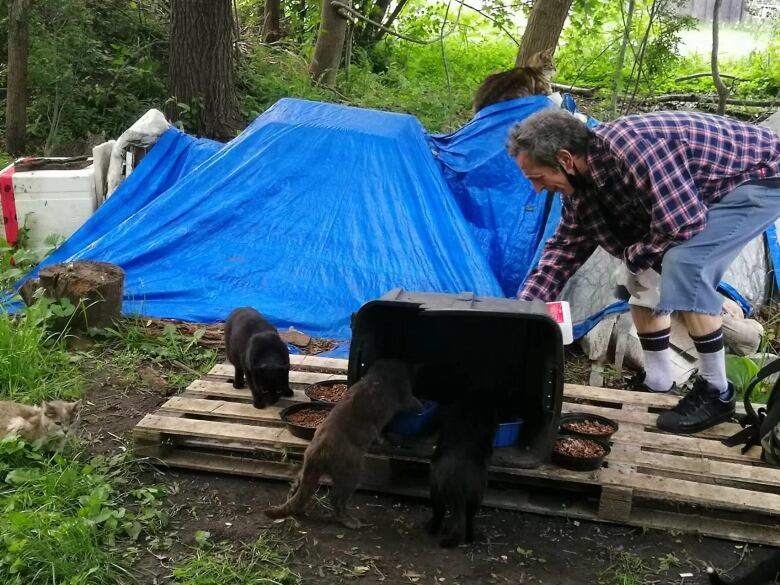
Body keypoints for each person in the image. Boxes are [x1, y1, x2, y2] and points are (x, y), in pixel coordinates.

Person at [509, 109, 780, 434]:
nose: (538, 189)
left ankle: (717, 392)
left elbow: (683, 223)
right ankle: (659, 381)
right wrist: (521, 313)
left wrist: (638, 256)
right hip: (702, 190)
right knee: (636, 273)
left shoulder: (632, 149)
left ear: (566, 159)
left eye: (538, 178)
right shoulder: (582, 190)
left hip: (760, 176)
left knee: (686, 262)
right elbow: (561, 253)